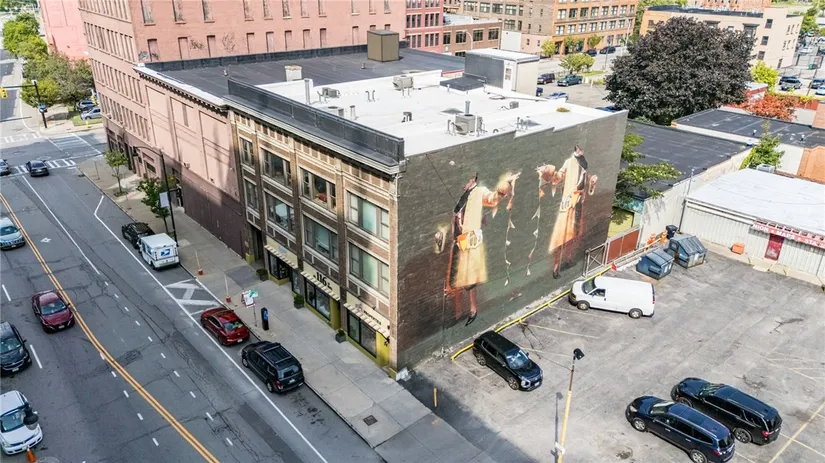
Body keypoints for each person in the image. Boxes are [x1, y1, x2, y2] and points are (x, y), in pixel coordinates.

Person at [446, 172, 519, 326]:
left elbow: (492, 199)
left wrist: (506, 184)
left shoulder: (480, 191)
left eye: (466, 179)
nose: (463, 183)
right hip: (458, 242)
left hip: (469, 243)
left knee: (469, 280)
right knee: (456, 280)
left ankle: (473, 309)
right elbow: (457, 215)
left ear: (473, 178)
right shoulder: (463, 194)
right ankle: (457, 312)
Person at [537, 145, 598, 279]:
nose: (582, 151)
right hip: (569, 204)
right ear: (576, 149)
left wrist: (592, 182)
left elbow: (585, 182)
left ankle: (568, 258)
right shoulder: (569, 162)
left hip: (578, 203)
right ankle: (556, 267)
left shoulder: (584, 163)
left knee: (576, 235)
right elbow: (558, 177)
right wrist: (548, 171)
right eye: (580, 149)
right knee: (562, 237)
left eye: (583, 149)